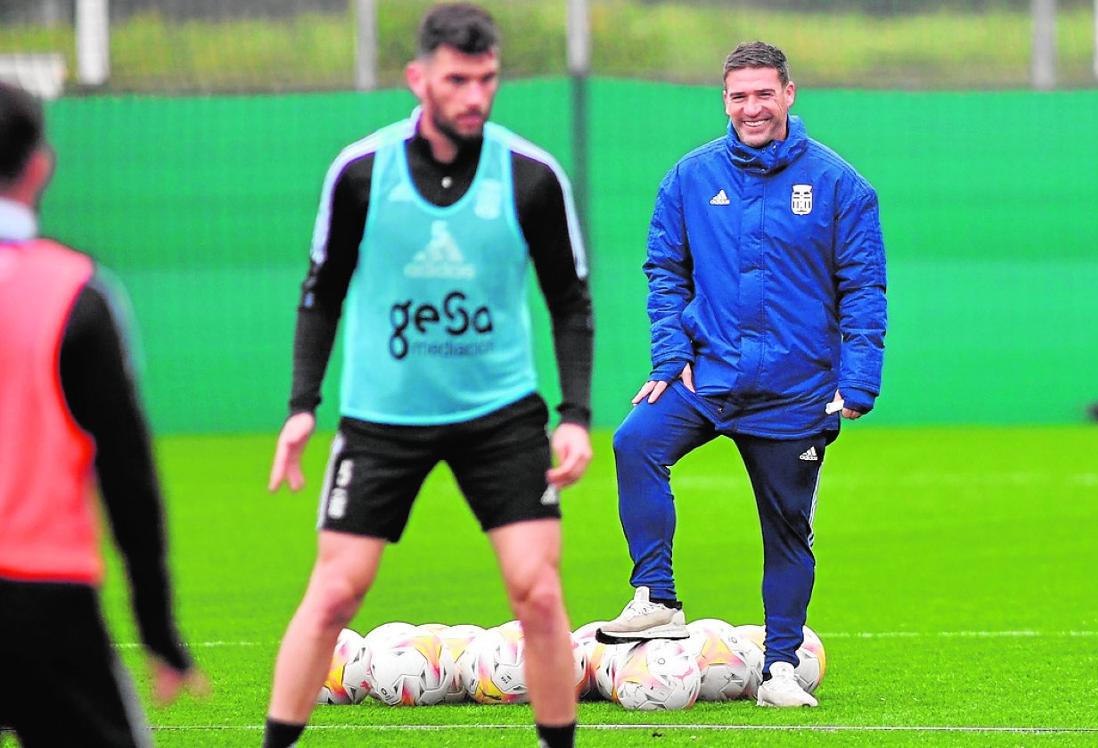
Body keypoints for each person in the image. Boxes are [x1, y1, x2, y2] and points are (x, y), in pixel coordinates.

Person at [262, 4, 593, 746]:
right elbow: (321, 291)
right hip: (383, 418)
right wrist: (301, 405)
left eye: (488, 79)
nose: (475, 95)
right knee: (335, 593)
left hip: (501, 415)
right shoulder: (360, 173)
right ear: (419, 79)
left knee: (537, 592)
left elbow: (570, 301)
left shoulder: (532, 176)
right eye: (457, 80)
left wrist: (573, 415)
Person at [597, 42, 887, 708]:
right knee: (635, 442)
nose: (751, 107)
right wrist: (672, 359)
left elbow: (865, 287)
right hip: (709, 378)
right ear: (723, 100)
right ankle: (658, 596)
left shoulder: (842, 186)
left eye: (763, 93)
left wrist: (859, 378)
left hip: (796, 391)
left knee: (787, 528)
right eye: (738, 96)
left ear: (789, 94)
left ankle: (780, 671)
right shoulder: (690, 177)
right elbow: (664, 271)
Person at [0, 81, 204, 746]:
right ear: (40, 164)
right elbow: (127, 472)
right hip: (43, 600)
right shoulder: (79, 296)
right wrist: (157, 625)